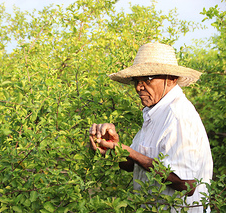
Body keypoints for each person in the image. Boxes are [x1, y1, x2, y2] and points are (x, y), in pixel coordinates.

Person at [89, 42, 213, 212]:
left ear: (171, 79)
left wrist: (129, 151)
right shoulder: (154, 112)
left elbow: (186, 184)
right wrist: (114, 148)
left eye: (148, 79)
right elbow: (131, 165)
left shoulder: (178, 116)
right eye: (136, 80)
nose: (139, 87)